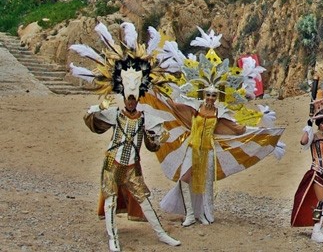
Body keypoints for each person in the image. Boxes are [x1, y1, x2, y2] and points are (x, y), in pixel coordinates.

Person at [149, 27, 285, 227]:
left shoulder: (219, 114)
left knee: (205, 184)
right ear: (203, 95)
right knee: (185, 178)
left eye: (214, 95)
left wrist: (261, 133)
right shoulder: (194, 109)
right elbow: (173, 107)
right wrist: (157, 93)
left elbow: (236, 129)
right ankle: (188, 215)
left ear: (217, 96)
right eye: (208, 94)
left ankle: (203, 214)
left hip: (209, 151)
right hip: (191, 148)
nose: (211, 97)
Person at [70, 22, 181, 252]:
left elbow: (153, 142)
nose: (131, 101)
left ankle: (161, 234)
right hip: (113, 162)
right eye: (128, 98)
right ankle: (113, 239)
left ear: (138, 97)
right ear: (124, 97)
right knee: (110, 200)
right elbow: (93, 119)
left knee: (144, 199)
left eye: (134, 98)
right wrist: (96, 109)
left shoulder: (144, 117)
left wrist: (157, 138)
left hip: (133, 166)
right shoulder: (115, 113)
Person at [291, 77, 323, 243]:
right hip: (316, 172)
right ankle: (315, 232)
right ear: (318, 124)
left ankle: (321, 228)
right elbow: (303, 142)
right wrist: (308, 127)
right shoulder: (314, 136)